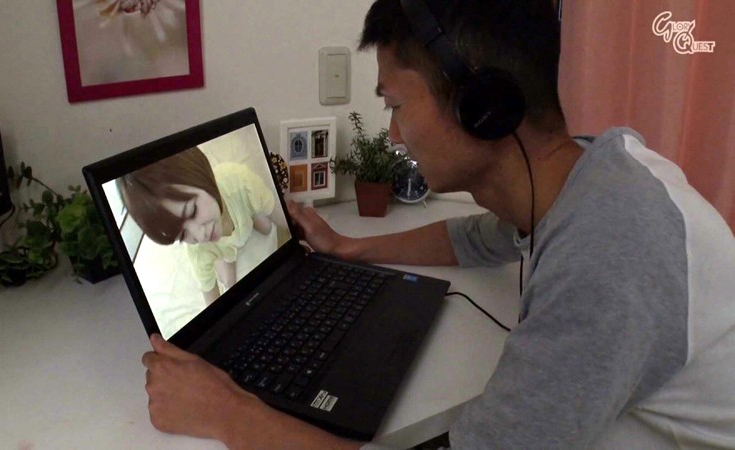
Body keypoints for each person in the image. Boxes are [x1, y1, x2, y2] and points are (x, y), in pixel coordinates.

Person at [140, 0, 735, 448]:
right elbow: (475, 237)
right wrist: (349, 248)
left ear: (482, 106)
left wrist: (228, 414)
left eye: (396, 105)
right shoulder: (591, 175)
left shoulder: (608, 255)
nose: (394, 135)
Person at [118, 147, 277, 304]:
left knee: (267, 227)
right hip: (224, 250)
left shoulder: (238, 181)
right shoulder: (198, 250)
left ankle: (249, 212)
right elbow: (210, 295)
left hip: (242, 210)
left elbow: (280, 214)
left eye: (192, 210)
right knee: (229, 282)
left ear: (203, 176)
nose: (200, 236)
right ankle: (221, 259)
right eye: (182, 235)